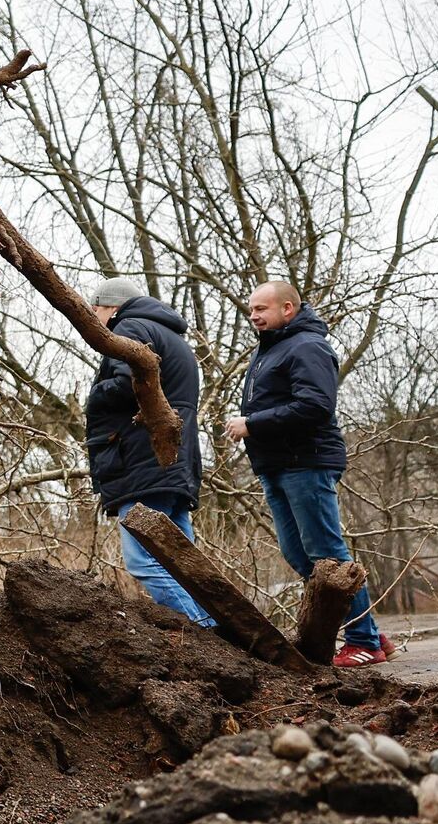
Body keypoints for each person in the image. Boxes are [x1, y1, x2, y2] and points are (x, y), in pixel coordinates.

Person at [225, 281, 388, 666]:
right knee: (299, 555)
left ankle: (364, 641)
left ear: (288, 308)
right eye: (251, 310)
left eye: (261, 309)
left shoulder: (308, 346)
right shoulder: (270, 350)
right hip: (276, 465)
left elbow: (315, 405)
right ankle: (368, 629)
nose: (254, 316)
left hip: (307, 462)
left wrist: (252, 423)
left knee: (327, 557)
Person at [83, 276, 214, 628]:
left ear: (110, 306)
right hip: (173, 461)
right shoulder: (174, 338)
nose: (92, 317)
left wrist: (92, 397)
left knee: (143, 559)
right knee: (184, 560)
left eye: (94, 309)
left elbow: (130, 383)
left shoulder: (131, 325)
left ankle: (204, 631)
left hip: (143, 461)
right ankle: (219, 624)